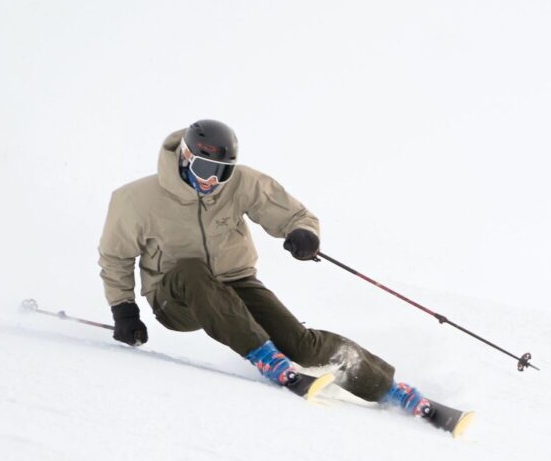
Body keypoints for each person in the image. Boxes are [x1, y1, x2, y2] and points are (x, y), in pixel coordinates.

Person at [97, 119, 434, 419]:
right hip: (176, 298)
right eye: (203, 168)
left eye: (222, 171)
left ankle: (388, 388)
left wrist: (303, 234)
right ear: (185, 157)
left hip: (235, 282)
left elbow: (294, 215)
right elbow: (115, 257)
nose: (212, 180)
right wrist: (124, 309)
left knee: (300, 343)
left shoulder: (242, 183)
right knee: (191, 270)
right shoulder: (136, 200)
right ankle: (266, 357)